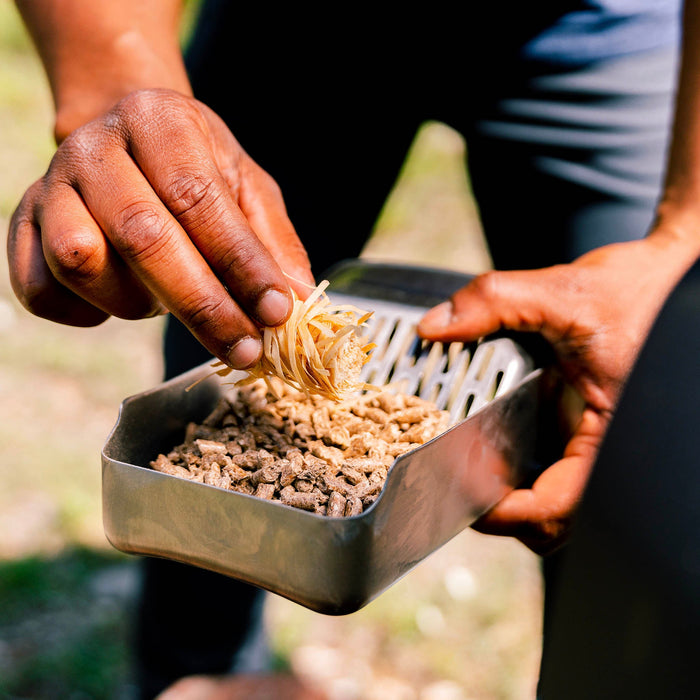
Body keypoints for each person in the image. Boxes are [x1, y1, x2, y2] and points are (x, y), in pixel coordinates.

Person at [6, 0, 699, 697]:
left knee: (635, 459)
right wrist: (116, 86)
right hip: (290, 30)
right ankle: (190, 673)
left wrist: (683, 234)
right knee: (213, 335)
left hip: (598, 28)